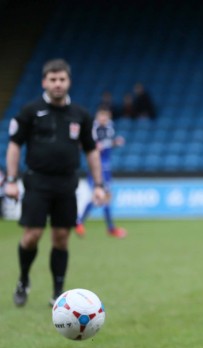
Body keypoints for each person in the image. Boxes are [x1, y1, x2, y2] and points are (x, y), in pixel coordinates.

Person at [4, 58, 106, 306]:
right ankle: (24, 279)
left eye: (62, 79)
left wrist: (99, 184)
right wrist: (11, 180)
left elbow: (92, 150)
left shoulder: (80, 115)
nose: (58, 84)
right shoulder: (30, 111)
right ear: (44, 82)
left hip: (66, 184)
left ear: (68, 82)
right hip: (37, 182)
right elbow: (14, 145)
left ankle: (57, 292)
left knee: (61, 237)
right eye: (53, 80)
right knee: (32, 236)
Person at [75, 107, 127, 238]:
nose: (104, 118)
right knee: (98, 197)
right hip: (96, 169)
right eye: (101, 116)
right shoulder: (93, 130)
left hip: (107, 169)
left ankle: (110, 228)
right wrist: (95, 147)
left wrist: (115, 143)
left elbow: (107, 145)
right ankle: (79, 222)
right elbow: (84, 145)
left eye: (106, 116)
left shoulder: (110, 128)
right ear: (97, 117)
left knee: (107, 198)